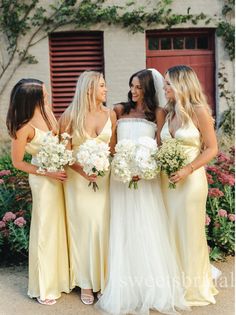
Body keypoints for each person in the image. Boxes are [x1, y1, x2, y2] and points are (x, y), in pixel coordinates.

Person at [97, 69, 188, 315]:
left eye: (138, 87)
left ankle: (151, 286)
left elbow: (160, 145)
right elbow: (112, 146)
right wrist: (124, 165)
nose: (133, 91)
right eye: (131, 86)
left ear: (148, 89)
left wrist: (146, 167)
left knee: (147, 228)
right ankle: (124, 285)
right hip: (122, 179)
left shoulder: (158, 113)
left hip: (146, 180)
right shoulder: (118, 110)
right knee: (123, 228)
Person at [6, 78, 70, 305]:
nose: (47, 95)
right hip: (43, 182)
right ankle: (43, 286)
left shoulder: (49, 115)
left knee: (59, 228)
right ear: (31, 98)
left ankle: (60, 279)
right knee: (44, 229)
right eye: (43, 93)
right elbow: (18, 163)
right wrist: (47, 172)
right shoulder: (23, 128)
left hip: (60, 178)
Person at [161, 65, 219, 306]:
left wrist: (187, 169)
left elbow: (212, 148)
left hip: (191, 180)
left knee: (189, 232)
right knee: (171, 231)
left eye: (168, 84)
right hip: (168, 182)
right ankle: (175, 285)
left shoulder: (198, 111)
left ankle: (194, 288)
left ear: (181, 84)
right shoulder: (169, 112)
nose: (164, 88)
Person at [59, 71, 116, 305]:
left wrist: (103, 168)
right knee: (84, 229)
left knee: (103, 228)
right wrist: (84, 171)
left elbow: (112, 149)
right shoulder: (70, 116)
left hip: (104, 180)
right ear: (89, 89)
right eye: (102, 86)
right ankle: (85, 281)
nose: (106, 90)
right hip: (79, 181)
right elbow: (63, 153)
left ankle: (102, 279)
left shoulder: (110, 113)